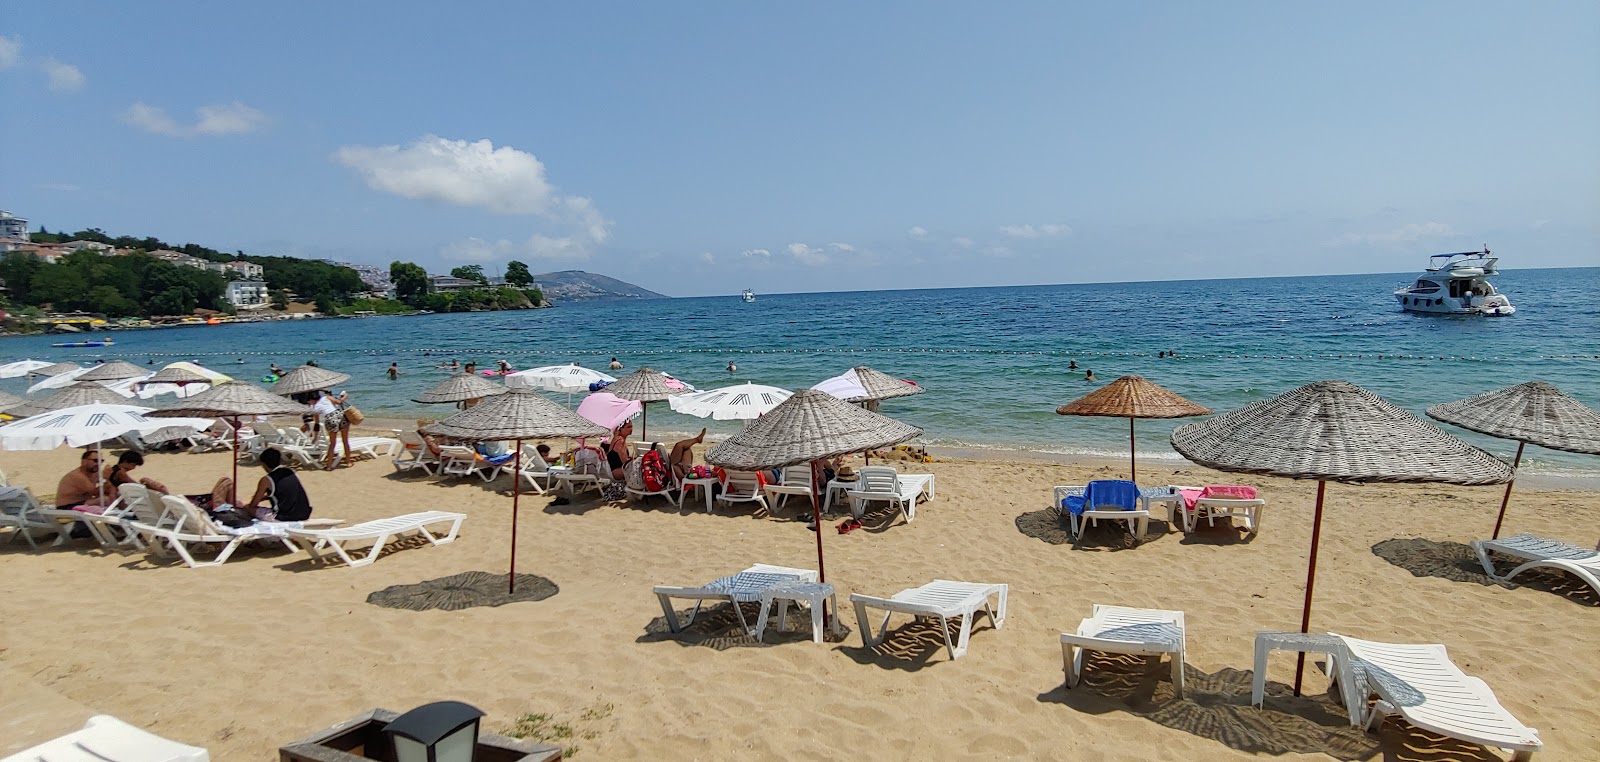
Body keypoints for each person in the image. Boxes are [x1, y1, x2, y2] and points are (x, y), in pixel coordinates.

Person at [244, 448, 313, 522]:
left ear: (264, 464)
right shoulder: (291, 471)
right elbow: (287, 492)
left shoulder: (266, 480)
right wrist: (265, 498)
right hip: (304, 514)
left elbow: (253, 504)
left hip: (284, 517)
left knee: (248, 508)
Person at [313, 388, 352, 469]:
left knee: (332, 444)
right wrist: (345, 396)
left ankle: (329, 466)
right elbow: (339, 402)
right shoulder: (326, 397)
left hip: (330, 419)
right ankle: (348, 462)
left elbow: (316, 424)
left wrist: (315, 437)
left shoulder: (314, 408)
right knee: (345, 441)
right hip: (339, 416)